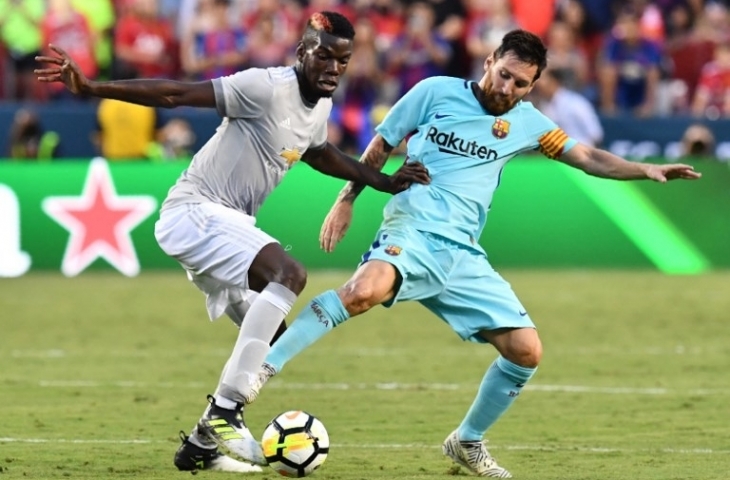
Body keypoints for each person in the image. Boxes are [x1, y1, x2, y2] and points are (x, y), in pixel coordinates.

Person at [243, 29, 701, 478]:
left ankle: (466, 441)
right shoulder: (434, 92)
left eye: (520, 83)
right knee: (364, 290)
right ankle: (262, 367)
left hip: (463, 253)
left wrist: (645, 168)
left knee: (526, 351)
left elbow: (589, 157)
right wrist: (346, 201)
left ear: (533, 85)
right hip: (413, 228)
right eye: (503, 75)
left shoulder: (529, 123)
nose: (507, 88)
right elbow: (381, 146)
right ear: (489, 62)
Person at [34, 10, 430, 475]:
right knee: (290, 274)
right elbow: (177, 92)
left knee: (272, 339)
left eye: (342, 61)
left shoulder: (318, 103)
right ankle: (225, 412)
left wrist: (382, 182)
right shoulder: (265, 86)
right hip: (194, 211)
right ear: (302, 51)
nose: (333, 69)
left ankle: (203, 439)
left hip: (224, 225)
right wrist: (93, 87)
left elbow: (318, 153)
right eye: (324, 56)